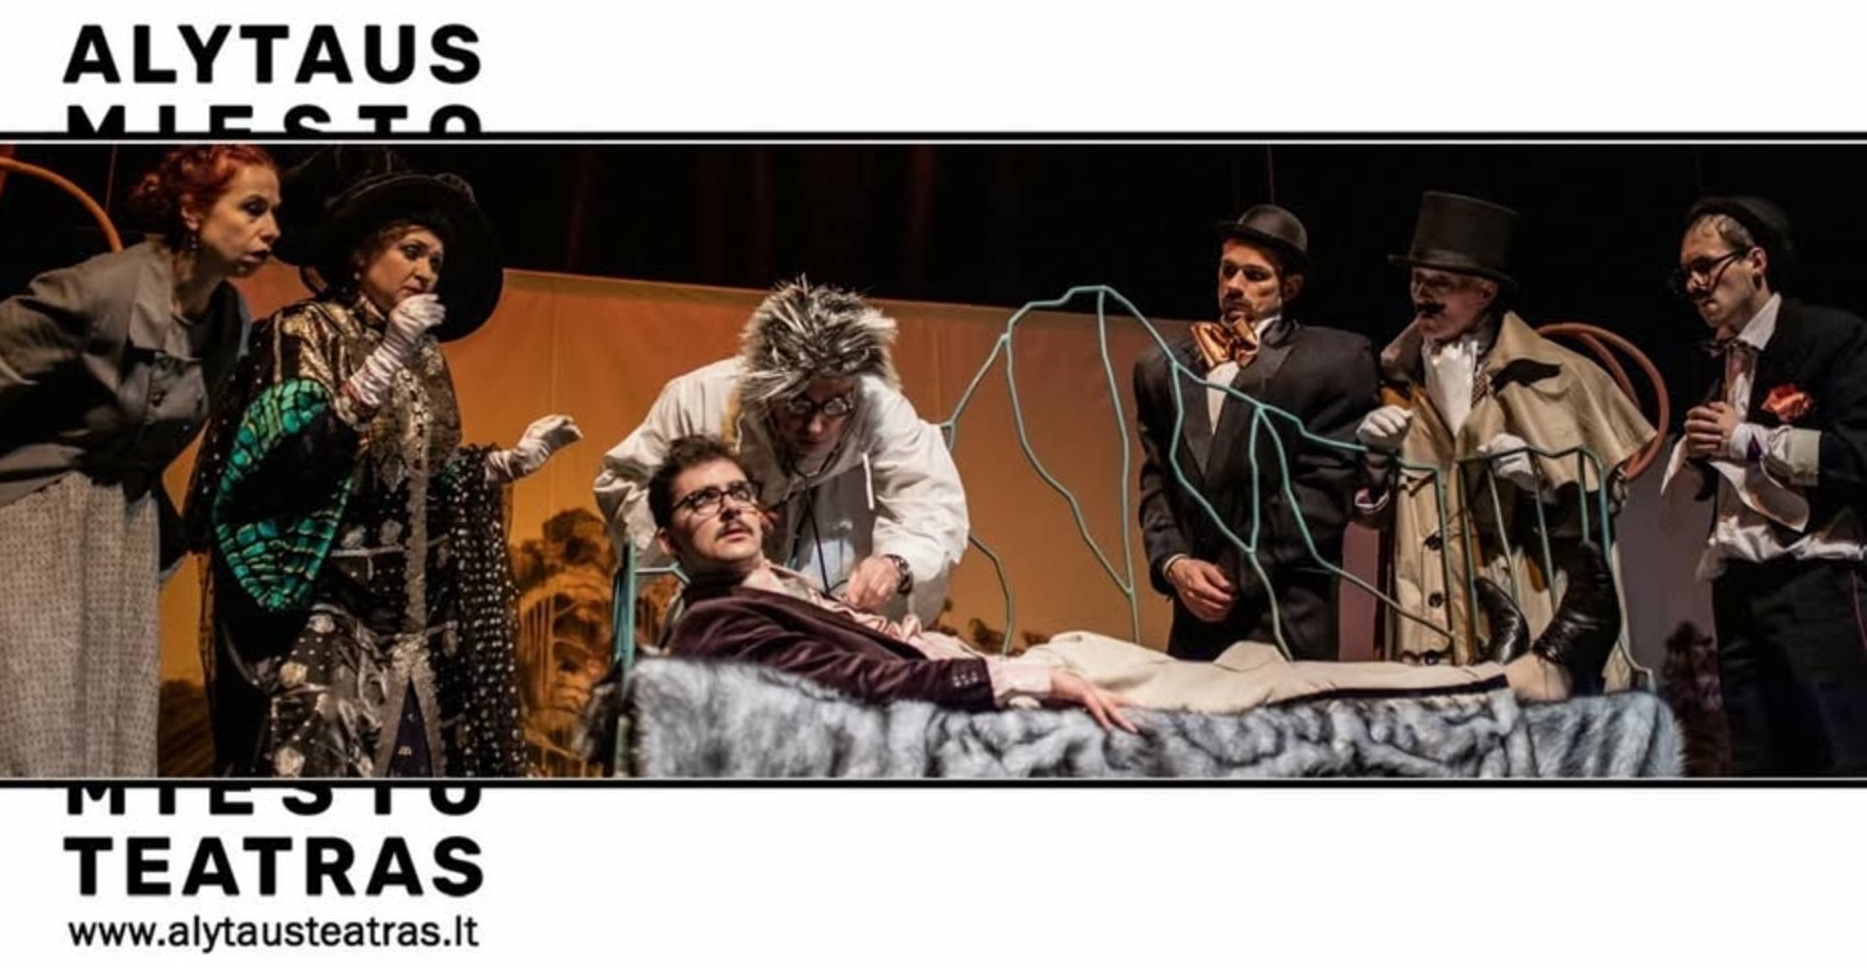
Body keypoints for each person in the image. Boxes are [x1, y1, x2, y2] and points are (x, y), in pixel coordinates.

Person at [649, 435, 1620, 728]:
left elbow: (869, 650)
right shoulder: (712, 627)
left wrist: (900, 608)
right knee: (1268, 691)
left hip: (1016, 666)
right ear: (668, 533)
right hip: (1004, 694)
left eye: (736, 492)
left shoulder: (783, 583)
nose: (728, 508)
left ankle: (1469, 680)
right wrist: (1023, 678)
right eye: (701, 503)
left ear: (762, 508)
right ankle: (1527, 679)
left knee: (1253, 662)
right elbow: (861, 685)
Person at [186, 146, 581, 778]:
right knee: (316, 760)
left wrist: (503, 466)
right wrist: (381, 363)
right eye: (412, 251)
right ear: (361, 254)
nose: (426, 271)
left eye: (436, 261)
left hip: (413, 618)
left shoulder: (425, 356)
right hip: (327, 605)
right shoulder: (303, 331)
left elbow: (419, 478)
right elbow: (287, 463)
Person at [0, 144, 280, 776]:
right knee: (33, 736)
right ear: (192, 210)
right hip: (34, 519)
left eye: (273, 212)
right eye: (253, 208)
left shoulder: (229, 320)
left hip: (120, 536)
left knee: (109, 745)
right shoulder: (98, 293)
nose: (272, 230)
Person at [1356, 192, 1655, 684]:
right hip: (1430, 620)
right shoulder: (1394, 381)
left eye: (1441, 283)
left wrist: (1541, 484)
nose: (1423, 294)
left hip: (1529, 607)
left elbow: (1603, 508)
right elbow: (1376, 519)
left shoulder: (1556, 376)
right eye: (1417, 280)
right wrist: (1374, 465)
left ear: (1485, 292)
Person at [597, 278, 966, 624]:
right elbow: (626, 485)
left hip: (839, 562)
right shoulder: (699, 399)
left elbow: (929, 503)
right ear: (767, 389)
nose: (816, 426)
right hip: (721, 585)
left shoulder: (878, 406)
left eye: (835, 405)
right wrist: (710, 515)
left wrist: (896, 563)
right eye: (797, 404)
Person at [1661, 195, 1867, 775]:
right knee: (1758, 764)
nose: (1695, 285)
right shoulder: (1716, 362)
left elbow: (1856, 456)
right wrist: (1699, 458)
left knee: (1840, 753)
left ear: (1756, 261)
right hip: (1739, 589)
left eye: (1706, 266)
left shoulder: (1831, 336)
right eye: (1686, 274)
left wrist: (1746, 439)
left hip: (1815, 582)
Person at [1134, 204, 1376, 662]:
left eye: (1254, 275)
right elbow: (1157, 480)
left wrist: (1233, 572)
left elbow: (1323, 491)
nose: (1235, 285)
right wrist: (1174, 563)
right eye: (1227, 271)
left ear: (1290, 287)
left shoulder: (1332, 363)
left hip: (1286, 619)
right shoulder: (1161, 367)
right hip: (1195, 623)